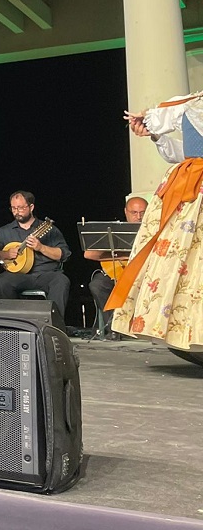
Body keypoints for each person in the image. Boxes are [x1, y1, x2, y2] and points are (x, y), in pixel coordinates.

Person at [106, 96, 203, 350]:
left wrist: (154, 118)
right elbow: (184, 152)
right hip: (191, 185)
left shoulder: (191, 106)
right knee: (185, 262)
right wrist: (156, 133)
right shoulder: (192, 103)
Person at [0, 191, 72, 318]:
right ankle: (15, 322)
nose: (17, 211)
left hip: (46, 274)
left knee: (61, 281)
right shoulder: (4, 231)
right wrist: (6, 254)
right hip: (19, 275)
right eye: (13, 208)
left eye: (20, 207)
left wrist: (41, 247)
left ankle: (54, 325)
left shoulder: (49, 229)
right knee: (2, 282)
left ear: (31, 207)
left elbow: (64, 255)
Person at [82, 195, 147, 338]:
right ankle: (114, 328)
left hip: (144, 274)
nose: (139, 217)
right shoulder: (116, 231)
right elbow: (88, 254)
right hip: (118, 273)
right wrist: (118, 254)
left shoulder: (153, 230)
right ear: (126, 212)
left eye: (142, 213)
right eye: (134, 213)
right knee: (97, 285)